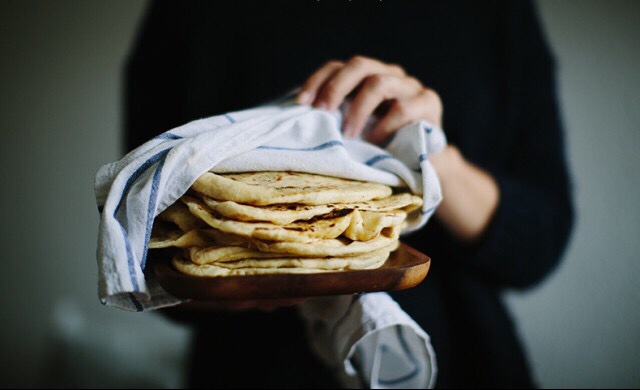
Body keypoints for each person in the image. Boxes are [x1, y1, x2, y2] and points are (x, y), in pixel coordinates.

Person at [124, 1, 574, 388]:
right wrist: (220, 276)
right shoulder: (188, 11)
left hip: (464, 364)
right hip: (248, 369)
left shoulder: (496, 12)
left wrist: (428, 155)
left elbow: (539, 242)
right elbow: (139, 229)